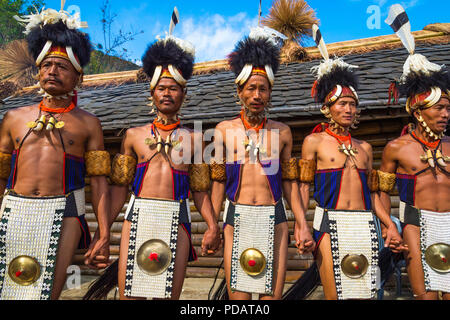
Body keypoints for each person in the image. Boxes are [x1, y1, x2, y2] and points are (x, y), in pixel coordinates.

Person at [84, 18, 221, 300]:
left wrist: (211, 224)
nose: (167, 93)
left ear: (184, 93)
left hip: (177, 217)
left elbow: (200, 190)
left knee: (168, 295)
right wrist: (103, 232)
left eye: (173, 88)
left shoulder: (195, 139)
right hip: (138, 216)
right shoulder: (133, 136)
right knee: (129, 294)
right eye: (162, 88)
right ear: (152, 92)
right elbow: (120, 188)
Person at [0, 4, 110, 300]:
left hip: (66, 210)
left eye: (61, 66)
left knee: (46, 292)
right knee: (8, 290)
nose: (52, 71)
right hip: (14, 209)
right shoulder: (14, 118)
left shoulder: (89, 124)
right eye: (46, 64)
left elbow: (99, 181)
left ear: (78, 77)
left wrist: (103, 232)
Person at [294, 24, 405, 300]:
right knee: (336, 294)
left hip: (366, 224)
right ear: (328, 107)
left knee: (366, 292)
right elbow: (302, 189)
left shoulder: (365, 148)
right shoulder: (314, 142)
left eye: (352, 104)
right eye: (342, 103)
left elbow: (373, 194)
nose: (348, 109)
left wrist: (389, 224)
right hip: (329, 223)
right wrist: (301, 224)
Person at [209, 27, 314, 300]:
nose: (257, 95)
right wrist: (211, 224)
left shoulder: (282, 133)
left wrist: (301, 222)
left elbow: (289, 183)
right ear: (240, 91)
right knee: (239, 298)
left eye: (263, 89)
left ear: (270, 93)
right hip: (237, 216)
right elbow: (218, 181)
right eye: (251, 88)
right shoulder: (223, 131)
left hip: (274, 217)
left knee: (271, 297)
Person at [377, 4, 450, 300]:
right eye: (440, 108)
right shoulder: (397, 148)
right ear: (419, 112)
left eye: (448, 108)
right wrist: (389, 227)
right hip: (415, 224)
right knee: (426, 296)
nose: (446, 114)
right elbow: (379, 191)